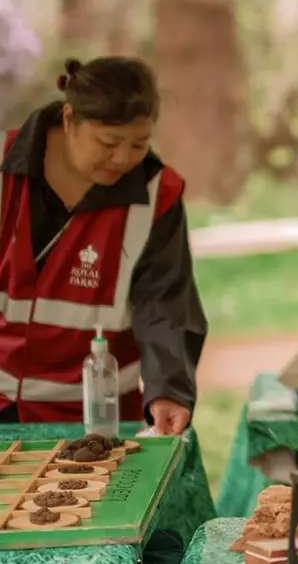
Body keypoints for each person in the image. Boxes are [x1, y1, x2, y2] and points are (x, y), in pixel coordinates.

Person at [0, 56, 207, 432]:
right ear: (68, 120)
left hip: (100, 420)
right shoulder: (3, 168)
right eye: (108, 142)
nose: (123, 159)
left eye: (139, 144)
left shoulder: (157, 195)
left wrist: (168, 390)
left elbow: (164, 304)